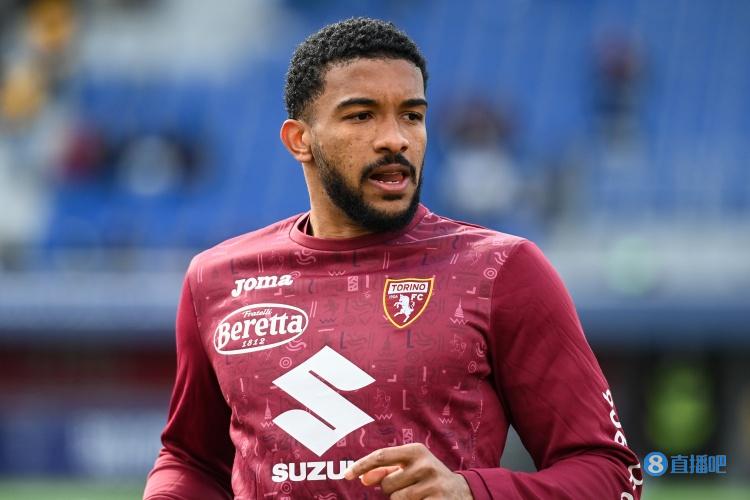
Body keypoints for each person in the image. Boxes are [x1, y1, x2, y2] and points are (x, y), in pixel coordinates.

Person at [144, 17, 643, 499]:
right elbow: (191, 460)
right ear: (300, 140)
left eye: (412, 115)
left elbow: (611, 476)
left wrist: (471, 492)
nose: (396, 139)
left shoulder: (502, 271)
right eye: (361, 116)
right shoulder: (217, 280)